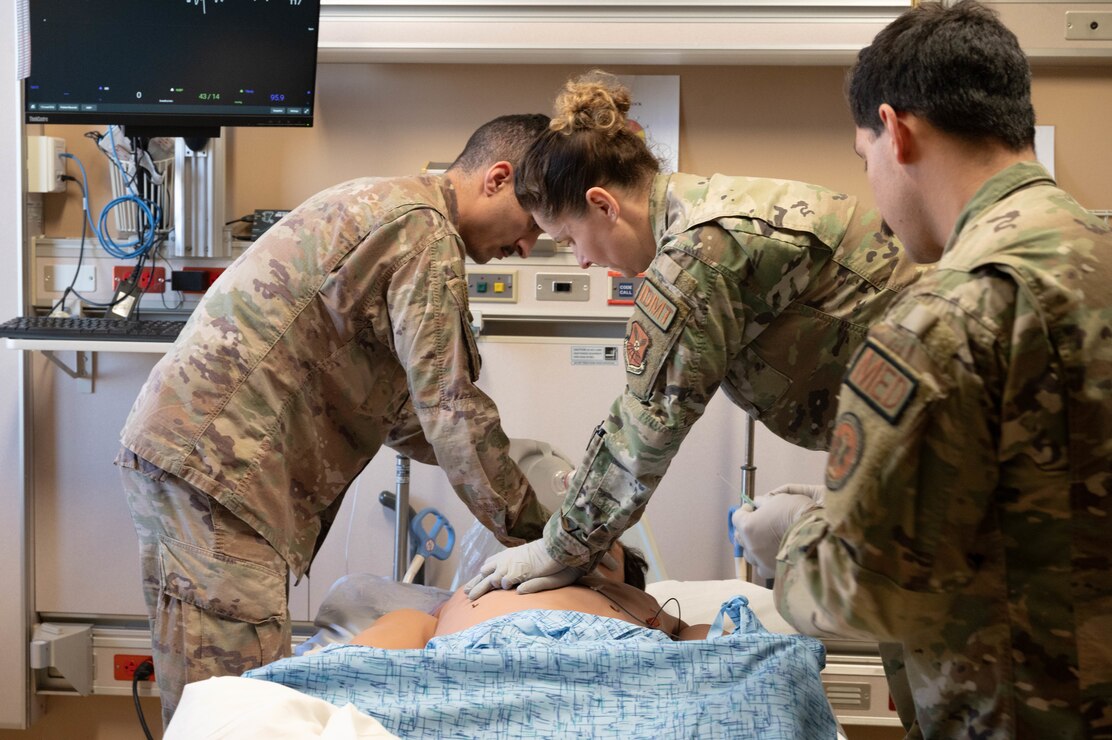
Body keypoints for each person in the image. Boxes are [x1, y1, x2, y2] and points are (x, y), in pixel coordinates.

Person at [732, 2, 1112, 737]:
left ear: (897, 131)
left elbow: (859, 588)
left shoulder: (945, 314)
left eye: (862, 155)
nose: (872, 191)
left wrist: (801, 537)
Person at [116, 113, 555, 725]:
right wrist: (550, 539)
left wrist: (515, 464)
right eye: (533, 223)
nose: (529, 246)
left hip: (210, 468)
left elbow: (407, 411)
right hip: (221, 476)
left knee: (235, 709)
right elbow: (450, 412)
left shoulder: (393, 208)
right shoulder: (422, 233)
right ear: (497, 179)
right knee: (238, 721)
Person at [465, 70, 921, 598]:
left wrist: (560, 547)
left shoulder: (697, 255)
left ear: (604, 206)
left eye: (570, 239)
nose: (584, 261)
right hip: (913, 444)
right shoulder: (701, 211)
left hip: (932, 451)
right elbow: (633, 412)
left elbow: (644, 429)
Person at [353, 543, 711, 649]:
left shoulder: (637, 603)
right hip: (476, 651)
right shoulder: (472, 594)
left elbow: (703, 637)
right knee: (405, 622)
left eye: (599, 556)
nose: (574, 554)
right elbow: (409, 627)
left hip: (615, 648)